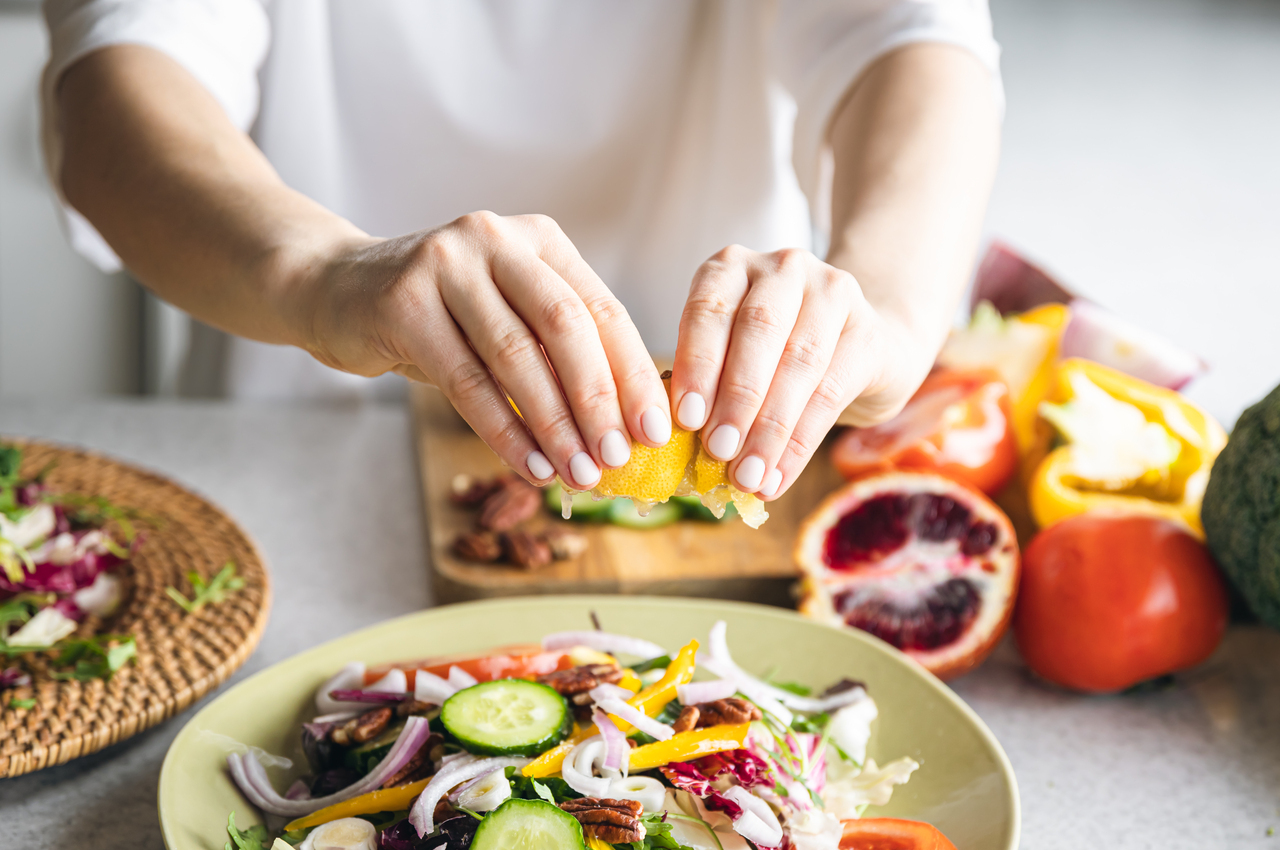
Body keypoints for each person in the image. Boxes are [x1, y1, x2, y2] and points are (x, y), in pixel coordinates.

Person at [41, 0, 1001, 503]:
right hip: (292, 439)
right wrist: (324, 275)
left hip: (725, 444)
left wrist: (893, 310)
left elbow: (915, 36)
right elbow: (120, 86)